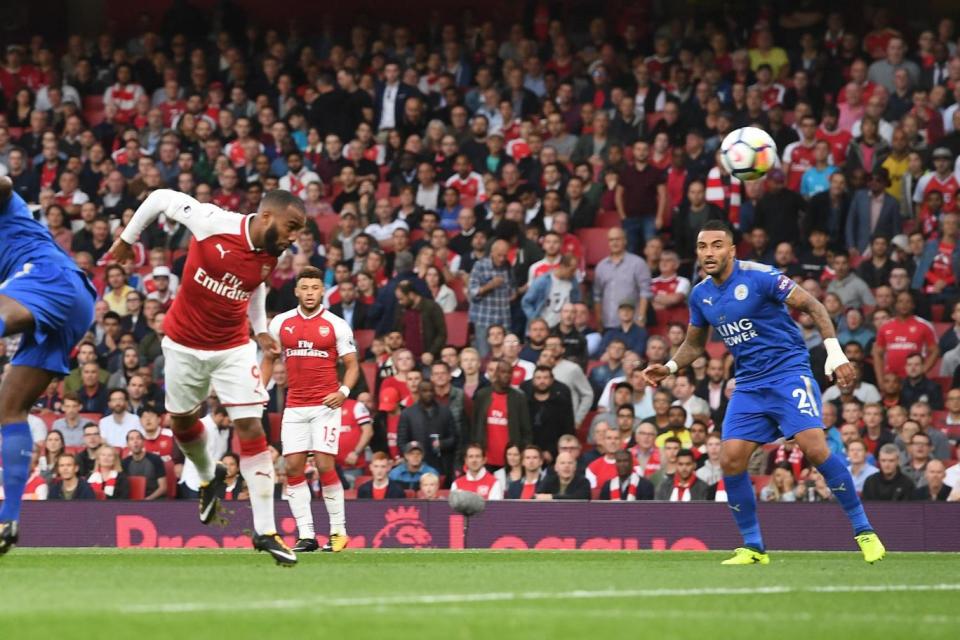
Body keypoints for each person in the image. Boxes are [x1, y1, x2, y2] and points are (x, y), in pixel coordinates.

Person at [642, 220, 885, 565]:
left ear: (731, 250)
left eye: (715, 245)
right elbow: (695, 344)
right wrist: (667, 367)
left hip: (788, 374)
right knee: (730, 458)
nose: (708, 253)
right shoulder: (701, 294)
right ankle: (754, 547)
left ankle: (865, 531)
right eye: (701, 247)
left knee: (815, 448)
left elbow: (814, 306)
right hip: (749, 384)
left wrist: (835, 352)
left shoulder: (761, 276)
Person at [109, 186, 307, 565]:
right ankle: (207, 473)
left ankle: (265, 532)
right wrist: (126, 239)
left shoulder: (270, 256)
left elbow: (254, 286)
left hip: (232, 348)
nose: (294, 236)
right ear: (267, 216)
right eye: (291, 226)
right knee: (182, 422)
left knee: (251, 427)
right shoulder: (212, 222)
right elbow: (160, 197)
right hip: (182, 344)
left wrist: (260, 328)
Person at [0, 177, 97, 553]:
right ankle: (8, 520)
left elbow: (5, 183)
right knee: (9, 409)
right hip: (73, 303)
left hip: (47, 276)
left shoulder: (9, 208)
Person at [264, 266, 359, 554]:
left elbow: (352, 365)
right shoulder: (280, 323)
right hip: (294, 406)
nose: (309, 293)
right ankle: (306, 535)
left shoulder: (336, 325)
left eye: (314, 288)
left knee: (324, 464)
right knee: (292, 467)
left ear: (322, 291)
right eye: (304, 288)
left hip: (324, 406)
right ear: (296, 290)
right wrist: (259, 389)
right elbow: (269, 360)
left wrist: (342, 392)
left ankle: (339, 532)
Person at [468, 360, 532, 467]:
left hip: (511, 460)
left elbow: (526, 429)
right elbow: (474, 426)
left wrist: (522, 452)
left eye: (509, 373)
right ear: (496, 373)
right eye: (503, 372)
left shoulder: (519, 398)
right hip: (485, 459)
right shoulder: (482, 395)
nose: (506, 375)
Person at [397, 380, 458, 476]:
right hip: (416, 467)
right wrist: (413, 456)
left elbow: (454, 438)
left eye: (431, 391)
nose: (428, 394)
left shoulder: (445, 411)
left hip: (441, 464)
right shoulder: (408, 413)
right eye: (424, 391)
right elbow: (401, 441)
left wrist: (442, 443)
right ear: (419, 392)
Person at [121, 430, 168, 500]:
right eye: (131, 439)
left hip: (154, 500)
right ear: (127, 444)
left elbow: (163, 488)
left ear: (143, 442)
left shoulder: (155, 459)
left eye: (138, 438)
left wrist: (147, 500)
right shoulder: (124, 463)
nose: (135, 441)